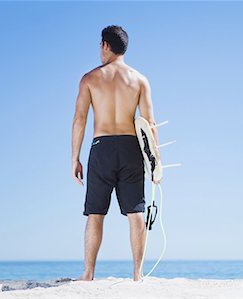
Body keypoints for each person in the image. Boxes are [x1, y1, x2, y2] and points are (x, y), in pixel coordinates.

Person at [71, 25, 161, 282]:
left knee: (95, 214)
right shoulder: (140, 80)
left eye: (100, 46)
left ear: (105, 45)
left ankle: (88, 274)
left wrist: (75, 157)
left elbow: (80, 119)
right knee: (135, 213)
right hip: (131, 148)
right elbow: (150, 122)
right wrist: (156, 163)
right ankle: (137, 274)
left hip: (102, 148)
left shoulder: (90, 78)